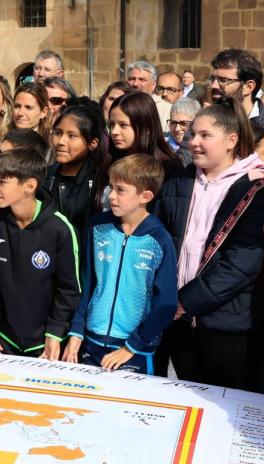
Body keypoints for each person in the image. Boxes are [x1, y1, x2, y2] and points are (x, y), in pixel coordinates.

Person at [153, 97, 264, 387]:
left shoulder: (255, 191)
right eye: (193, 133)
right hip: (177, 319)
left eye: (205, 135)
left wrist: (188, 300)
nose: (193, 141)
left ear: (231, 140)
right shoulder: (180, 181)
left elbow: (243, 264)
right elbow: (160, 238)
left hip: (225, 325)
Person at [64, 154, 177, 374]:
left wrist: (131, 346)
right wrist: (77, 331)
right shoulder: (97, 227)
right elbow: (86, 284)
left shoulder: (159, 240)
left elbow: (167, 303)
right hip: (92, 339)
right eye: (111, 187)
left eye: (121, 190)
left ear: (145, 196)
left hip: (135, 349)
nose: (111, 195)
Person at [0, 148, 81, 359]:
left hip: (45, 345)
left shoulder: (59, 229)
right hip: (0, 340)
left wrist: (55, 332)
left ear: (29, 186)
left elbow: (68, 289)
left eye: (2, 182)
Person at [208, 48, 264, 171]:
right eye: (212, 79)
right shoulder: (203, 121)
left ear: (248, 87)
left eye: (223, 80)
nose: (214, 86)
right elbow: (186, 168)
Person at [44, 99, 108, 236]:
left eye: (72, 136)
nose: (61, 142)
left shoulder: (101, 182)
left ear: (92, 143)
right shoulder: (45, 177)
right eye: (58, 133)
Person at [109, 91, 182, 176]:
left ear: (146, 126)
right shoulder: (110, 160)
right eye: (112, 124)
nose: (114, 131)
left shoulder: (167, 167)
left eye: (123, 125)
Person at [127, 60, 171, 132]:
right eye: (131, 79)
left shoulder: (167, 110)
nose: (135, 84)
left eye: (142, 79)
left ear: (153, 85)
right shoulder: (120, 106)